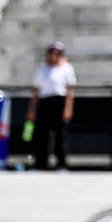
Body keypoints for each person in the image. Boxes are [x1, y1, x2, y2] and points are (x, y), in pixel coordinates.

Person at [26, 41, 76, 170]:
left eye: (57, 53)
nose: (54, 55)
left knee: (61, 135)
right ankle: (41, 164)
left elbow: (70, 91)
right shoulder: (42, 68)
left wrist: (68, 108)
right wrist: (32, 109)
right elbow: (37, 91)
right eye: (52, 52)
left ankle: (61, 164)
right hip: (45, 102)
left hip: (60, 102)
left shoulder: (66, 68)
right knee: (42, 134)